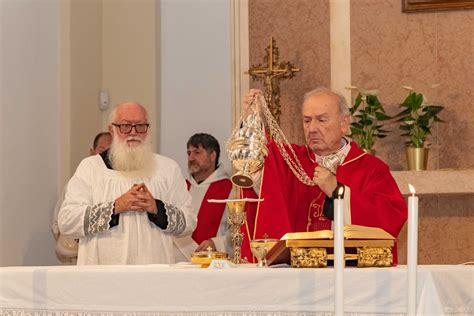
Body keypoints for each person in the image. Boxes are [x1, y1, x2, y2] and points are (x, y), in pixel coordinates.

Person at [203, 87, 407, 263]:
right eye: (307, 121)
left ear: (344, 123)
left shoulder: (370, 168)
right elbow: (259, 173)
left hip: (351, 273)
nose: (312, 128)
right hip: (299, 275)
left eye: (321, 120)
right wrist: (252, 122)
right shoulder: (292, 160)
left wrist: (338, 192)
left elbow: (390, 220)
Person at [58, 101, 196, 265]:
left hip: (154, 275)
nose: (133, 132)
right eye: (125, 126)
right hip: (103, 277)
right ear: (112, 130)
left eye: (140, 126)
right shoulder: (91, 168)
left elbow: (189, 222)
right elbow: (67, 221)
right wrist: (115, 207)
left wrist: (156, 208)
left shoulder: (167, 168)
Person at [52, 131, 112, 264]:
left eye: (111, 151)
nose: (106, 156)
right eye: (102, 151)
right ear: (92, 152)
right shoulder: (79, 181)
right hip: (81, 257)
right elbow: (59, 224)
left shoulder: (117, 182)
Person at [173, 133, 232, 262]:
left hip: (215, 263)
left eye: (197, 152)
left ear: (212, 156)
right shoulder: (181, 187)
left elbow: (238, 231)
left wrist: (216, 243)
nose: (191, 158)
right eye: (189, 153)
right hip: (180, 263)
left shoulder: (230, 189)